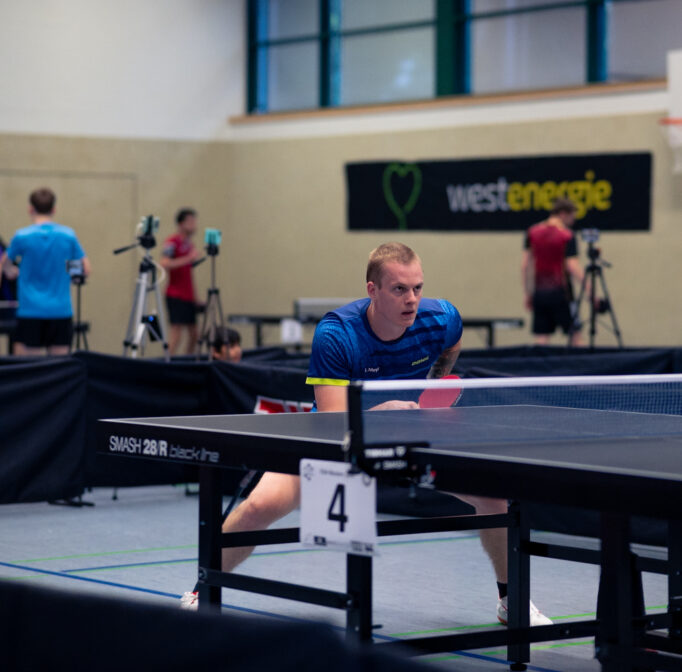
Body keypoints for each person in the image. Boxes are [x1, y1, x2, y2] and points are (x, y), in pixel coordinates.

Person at [182, 242, 551, 626]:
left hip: (409, 438)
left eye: (417, 288)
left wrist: (434, 382)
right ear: (372, 290)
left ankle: (511, 599)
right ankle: (201, 591)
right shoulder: (337, 333)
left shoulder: (440, 318)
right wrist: (380, 412)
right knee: (260, 506)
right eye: (399, 289)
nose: (412, 299)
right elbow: (331, 420)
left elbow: (452, 342)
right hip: (336, 442)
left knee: (494, 497)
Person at [0, 188, 90, 355]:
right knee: (59, 367)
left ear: (30, 209)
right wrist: (63, 269)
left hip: (30, 311)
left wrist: (10, 270)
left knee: (27, 368)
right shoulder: (68, 235)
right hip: (60, 311)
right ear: (54, 209)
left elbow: (4, 263)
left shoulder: (22, 236)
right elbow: (85, 269)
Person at [522, 198, 586, 346]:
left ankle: (540, 362)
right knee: (576, 337)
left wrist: (528, 293)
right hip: (562, 294)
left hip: (540, 294)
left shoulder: (533, 232)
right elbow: (572, 266)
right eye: (572, 217)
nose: (573, 221)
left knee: (542, 340)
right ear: (563, 214)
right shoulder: (566, 235)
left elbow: (525, 265)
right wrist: (590, 291)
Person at [160, 208, 201, 356]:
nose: (194, 225)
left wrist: (195, 298)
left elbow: (189, 275)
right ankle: (167, 362)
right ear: (181, 224)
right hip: (175, 294)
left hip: (188, 296)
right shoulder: (172, 242)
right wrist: (188, 258)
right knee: (176, 334)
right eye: (190, 221)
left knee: (195, 335)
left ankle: (188, 361)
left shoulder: (190, 245)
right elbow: (164, 263)